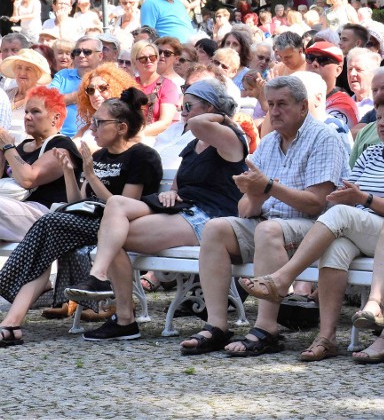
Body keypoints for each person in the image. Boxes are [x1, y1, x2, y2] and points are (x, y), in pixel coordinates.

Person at [241, 92, 384, 362]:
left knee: (340, 215)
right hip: (363, 228)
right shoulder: (371, 153)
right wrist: (343, 196)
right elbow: (350, 191)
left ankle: (284, 279)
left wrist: (361, 199)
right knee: (336, 247)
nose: (381, 124)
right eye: (378, 117)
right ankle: (326, 337)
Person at [65, 80, 248, 341]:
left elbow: (197, 123)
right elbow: (179, 185)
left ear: (209, 108)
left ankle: (123, 316)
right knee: (115, 208)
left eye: (188, 105)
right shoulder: (193, 145)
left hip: (210, 218)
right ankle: (101, 278)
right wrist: (170, 192)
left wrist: (223, 114)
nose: (182, 112)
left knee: (114, 237)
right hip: (182, 209)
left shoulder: (230, 138)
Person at [178, 76, 348, 356]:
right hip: (271, 226)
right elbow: (245, 209)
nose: (275, 111)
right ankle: (217, 324)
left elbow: (317, 204)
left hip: (316, 230)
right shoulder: (269, 143)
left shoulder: (323, 138)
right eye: (270, 105)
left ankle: (266, 328)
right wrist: (257, 194)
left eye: (282, 104)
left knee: (269, 231)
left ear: (303, 107)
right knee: (215, 228)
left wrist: (268, 187)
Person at [0, 89, 162, 346]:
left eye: (99, 122)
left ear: (121, 127)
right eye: (93, 121)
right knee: (48, 237)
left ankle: (8, 288)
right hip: (85, 221)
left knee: (49, 224)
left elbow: (122, 207)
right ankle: (11, 323)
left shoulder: (142, 156)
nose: (93, 127)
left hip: (119, 226)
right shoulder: (97, 156)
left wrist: (93, 176)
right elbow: (78, 203)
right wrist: (69, 173)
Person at [0, 87, 82, 241]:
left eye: (35, 112)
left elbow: (28, 179)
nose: (27, 117)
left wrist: (8, 148)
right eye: (26, 112)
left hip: (45, 215)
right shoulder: (22, 146)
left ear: (55, 118)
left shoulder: (62, 146)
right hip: (13, 210)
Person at [73, 63, 139, 148]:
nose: (95, 94)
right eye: (91, 90)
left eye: (102, 88)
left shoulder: (129, 125)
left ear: (117, 88)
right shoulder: (88, 127)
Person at [50, 36, 104, 138]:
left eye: (87, 52)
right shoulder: (63, 75)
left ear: (100, 56)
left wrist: (64, 99)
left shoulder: (107, 78)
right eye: (77, 52)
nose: (81, 55)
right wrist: (81, 95)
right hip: (60, 136)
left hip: (95, 137)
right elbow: (48, 102)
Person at [131, 40, 180, 138]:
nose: (149, 61)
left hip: (155, 139)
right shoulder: (129, 84)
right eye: (143, 59)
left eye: (152, 57)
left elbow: (165, 122)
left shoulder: (168, 86)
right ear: (134, 62)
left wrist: (136, 133)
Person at [304, 40, 358, 129]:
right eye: (310, 58)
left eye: (323, 60)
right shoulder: (298, 96)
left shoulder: (343, 104)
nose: (314, 63)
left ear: (338, 70)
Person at [1, 49, 52, 135]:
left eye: (28, 69)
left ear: (38, 74)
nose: (22, 72)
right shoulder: (5, 95)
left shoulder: (43, 99)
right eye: (19, 67)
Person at [347, 48, 381, 119]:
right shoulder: (344, 104)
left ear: (372, 74)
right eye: (350, 69)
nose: (352, 74)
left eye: (358, 69)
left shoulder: (381, 104)